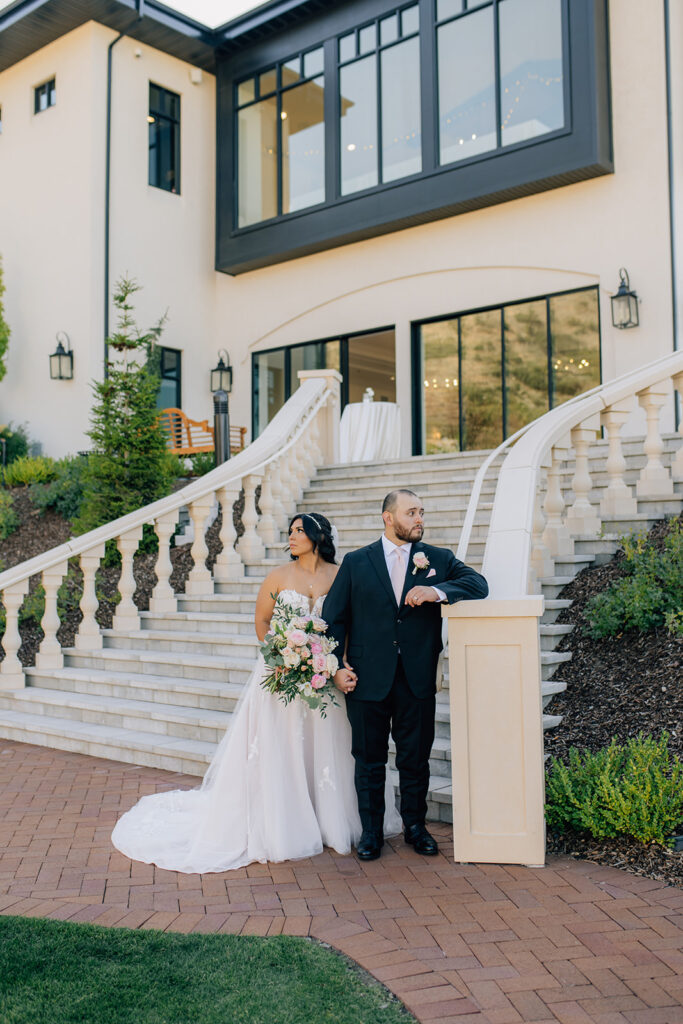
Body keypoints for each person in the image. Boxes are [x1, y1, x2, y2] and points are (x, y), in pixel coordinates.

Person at [110, 512, 401, 874]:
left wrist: (335, 662)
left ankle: (332, 820)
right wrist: (282, 654)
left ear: (318, 536)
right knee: (284, 748)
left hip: (327, 676)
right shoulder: (278, 577)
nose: (292, 537)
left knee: (331, 747)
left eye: (299, 531)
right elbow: (262, 621)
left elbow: (350, 624)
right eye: (290, 531)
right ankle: (287, 822)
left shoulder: (342, 574)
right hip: (282, 675)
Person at [323, 489, 488, 861]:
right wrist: (335, 668)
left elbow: (479, 586)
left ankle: (416, 827)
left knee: (415, 758)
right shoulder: (356, 562)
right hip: (366, 679)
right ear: (388, 517)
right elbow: (334, 619)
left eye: (421, 513)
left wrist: (436, 590)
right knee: (368, 758)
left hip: (416, 678)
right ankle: (371, 833)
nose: (419, 519)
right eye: (411, 512)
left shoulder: (439, 560)